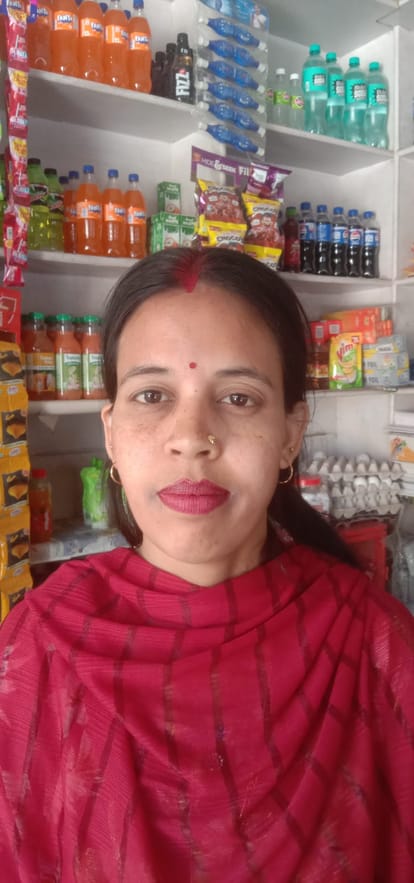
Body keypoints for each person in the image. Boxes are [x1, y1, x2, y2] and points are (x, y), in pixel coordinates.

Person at [0, 247, 413, 882]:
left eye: (239, 398)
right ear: (111, 434)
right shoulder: (39, 647)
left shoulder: (373, 645)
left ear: (290, 435)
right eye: (153, 394)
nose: (192, 437)